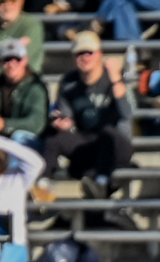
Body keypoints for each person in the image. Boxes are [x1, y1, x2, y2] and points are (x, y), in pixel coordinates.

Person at [42, 31, 133, 195]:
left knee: (108, 133)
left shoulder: (113, 78)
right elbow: (65, 115)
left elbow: (127, 112)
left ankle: (101, 182)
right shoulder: (69, 82)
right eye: (79, 53)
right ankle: (42, 185)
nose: (85, 57)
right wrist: (63, 123)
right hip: (88, 142)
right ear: (73, 57)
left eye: (89, 52)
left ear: (99, 54)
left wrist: (115, 78)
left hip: (116, 143)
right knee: (54, 138)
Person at [0, 38, 49, 153]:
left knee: (19, 137)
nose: (11, 64)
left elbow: (37, 124)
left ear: (25, 60)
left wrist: (4, 125)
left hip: (29, 139)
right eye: (7, 59)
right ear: (0, 62)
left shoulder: (36, 87)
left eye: (17, 59)